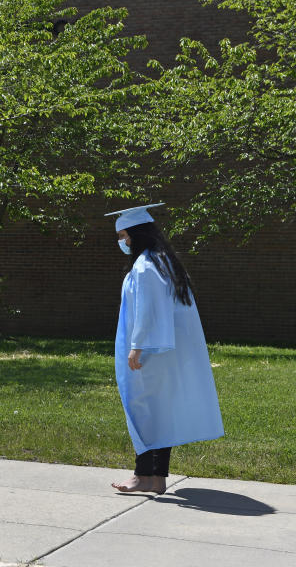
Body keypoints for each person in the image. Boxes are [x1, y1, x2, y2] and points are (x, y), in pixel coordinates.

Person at [104, 203, 223, 494]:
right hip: (163, 351)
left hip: (148, 352)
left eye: (123, 236)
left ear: (135, 234)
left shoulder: (146, 266)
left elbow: (148, 309)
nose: (122, 242)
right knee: (159, 411)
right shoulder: (164, 261)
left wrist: (137, 346)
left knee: (143, 409)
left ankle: (141, 476)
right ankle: (156, 478)